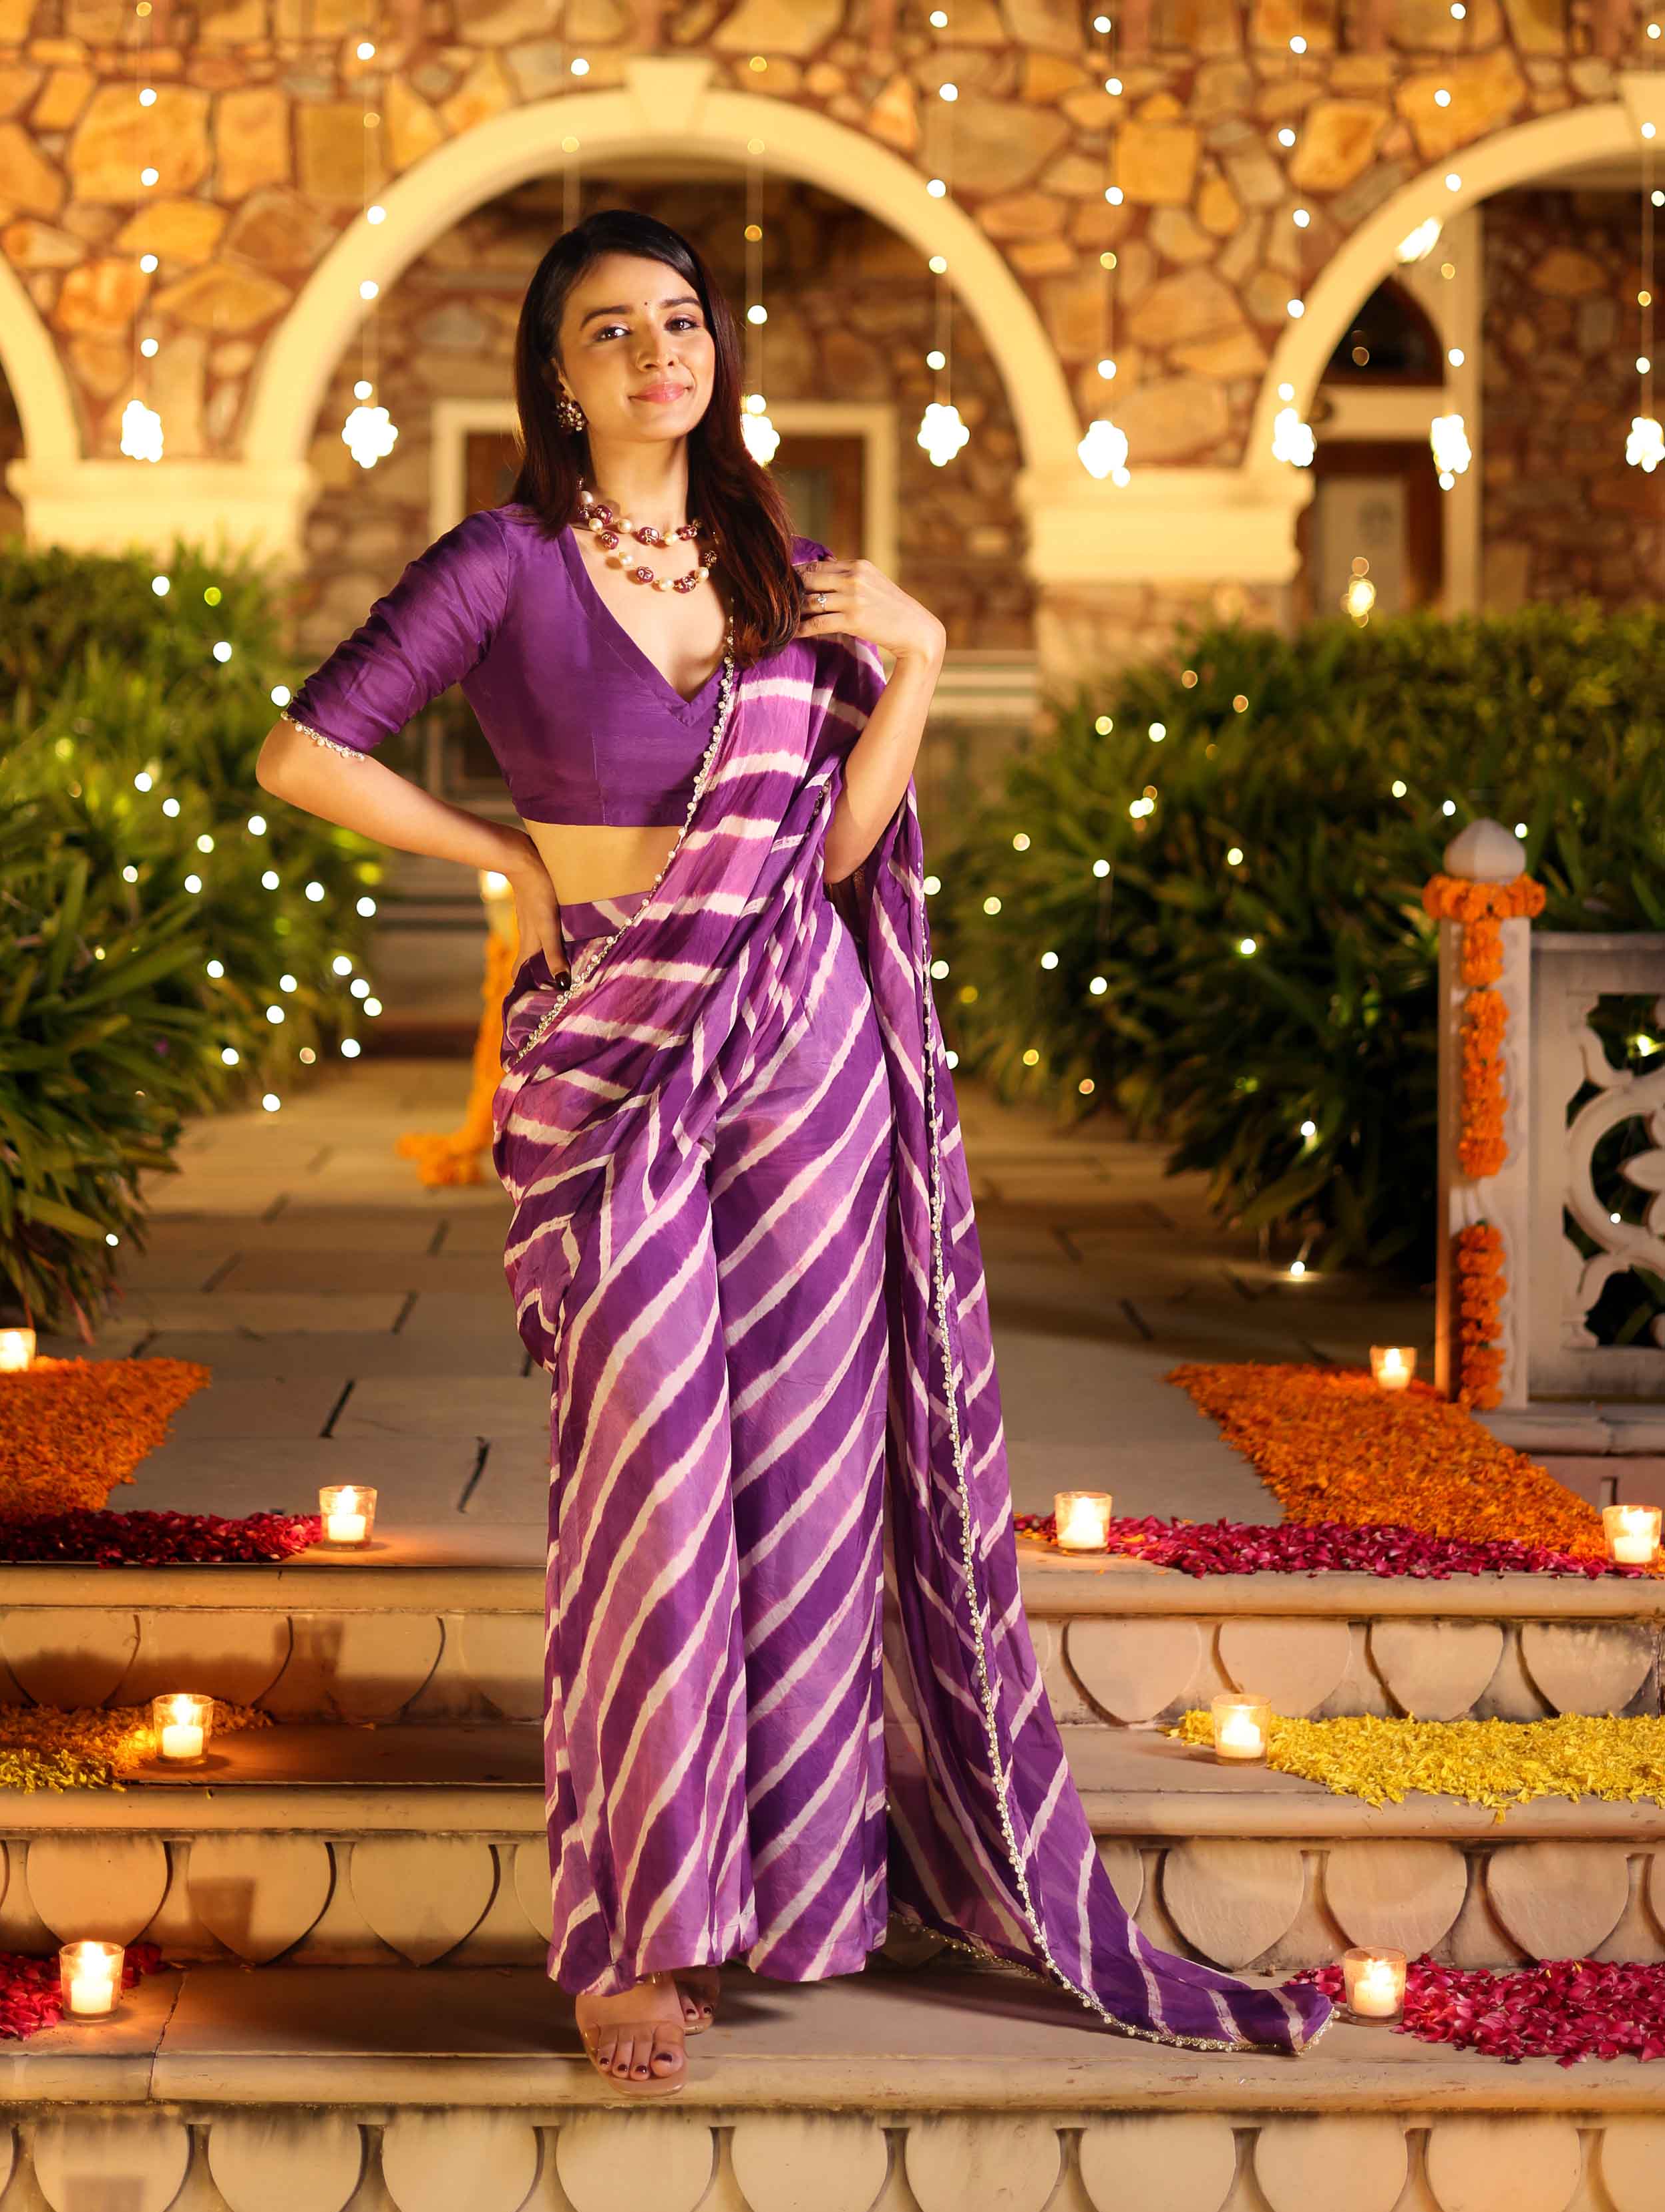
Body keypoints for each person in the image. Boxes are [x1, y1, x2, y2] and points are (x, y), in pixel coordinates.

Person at [257, 208, 1334, 2098]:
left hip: (806, 1054)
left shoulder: (789, 574)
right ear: (556, 375)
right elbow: (302, 752)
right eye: (613, 329)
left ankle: (801, 1888)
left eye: (681, 321)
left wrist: (915, 665)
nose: (657, 352)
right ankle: (636, 1927)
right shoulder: (505, 562)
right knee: (649, 1482)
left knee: (809, 1488)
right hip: (613, 1053)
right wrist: (509, 862)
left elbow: (834, 855)